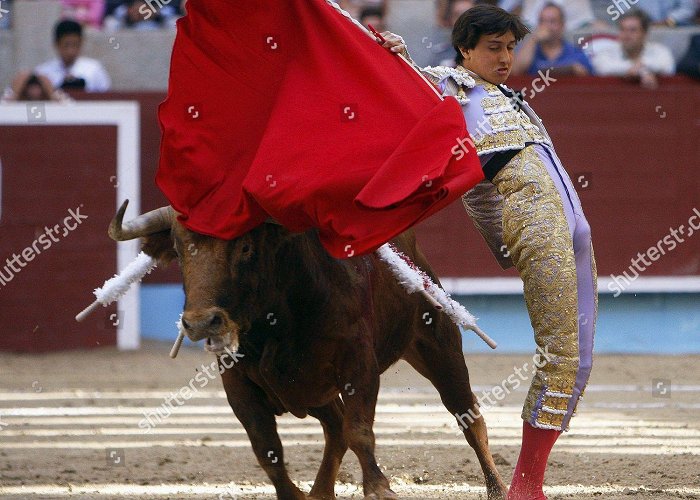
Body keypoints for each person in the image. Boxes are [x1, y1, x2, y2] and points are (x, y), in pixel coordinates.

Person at [380, 5, 597, 499]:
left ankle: (528, 483)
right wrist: (396, 54)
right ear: (465, 49)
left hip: (575, 229)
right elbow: (407, 83)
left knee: (578, 362)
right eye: (493, 48)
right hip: (538, 225)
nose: (505, 57)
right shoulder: (448, 85)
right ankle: (526, 487)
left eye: (510, 47)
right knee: (561, 351)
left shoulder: (512, 96)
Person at [590, 9, 675, 88]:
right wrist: (642, 72)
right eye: (623, 30)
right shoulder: (607, 52)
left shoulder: (660, 50)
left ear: (645, 33)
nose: (627, 35)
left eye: (633, 30)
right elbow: (603, 68)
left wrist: (638, 68)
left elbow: (667, 67)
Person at [512, 2, 594, 76]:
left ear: (562, 24)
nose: (546, 26)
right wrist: (533, 40)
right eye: (542, 21)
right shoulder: (529, 50)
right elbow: (515, 72)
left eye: (552, 21)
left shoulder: (574, 52)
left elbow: (589, 77)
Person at [34, 19, 111, 92]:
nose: (70, 51)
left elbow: (107, 98)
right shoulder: (43, 72)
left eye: (75, 45)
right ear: (56, 44)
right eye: (66, 45)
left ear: (81, 43)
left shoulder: (94, 69)